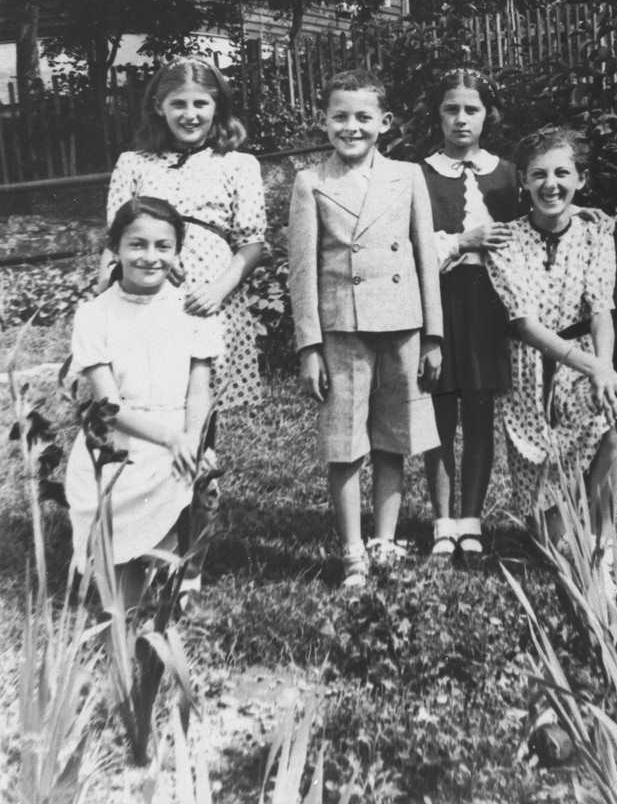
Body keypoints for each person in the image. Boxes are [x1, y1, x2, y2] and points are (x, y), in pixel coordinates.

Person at [288, 69, 443, 589]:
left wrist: (434, 335)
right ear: (324, 120)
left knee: (393, 437)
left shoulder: (409, 176)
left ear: (385, 122)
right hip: (342, 328)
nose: (351, 127)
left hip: (401, 324)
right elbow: (302, 270)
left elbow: (425, 257)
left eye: (362, 117)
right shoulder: (311, 182)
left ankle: (385, 540)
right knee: (345, 439)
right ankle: (353, 549)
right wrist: (309, 345)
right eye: (340, 117)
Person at [485, 127, 617, 595]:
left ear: (581, 180)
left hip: (584, 362)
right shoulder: (507, 242)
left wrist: (602, 369)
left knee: (615, 419)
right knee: (545, 540)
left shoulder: (594, 232)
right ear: (524, 183)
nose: (551, 184)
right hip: (529, 369)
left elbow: (600, 308)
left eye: (562, 173)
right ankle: (564, 524)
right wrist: (597, 370)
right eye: (539, 175)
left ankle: (603, 546)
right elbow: (524, 324)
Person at [66, 196, 223, 608]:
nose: (150, 257)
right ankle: (136, 562)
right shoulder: (94, 315)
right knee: (121, 606)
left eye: (163, 246)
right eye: (137, 245)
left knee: (205, 488)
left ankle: (186, 570)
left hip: (180, 437)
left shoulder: (194, 310)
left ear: (177, 251)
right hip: (121, 442)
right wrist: (171, 440)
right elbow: (109, 406)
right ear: (115, 247)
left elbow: (199, 389)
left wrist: (193, 440)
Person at [101, 56, 266, 414]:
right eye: (178, 103)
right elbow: (115, 240)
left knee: (201, 398)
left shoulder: (238, 164)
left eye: (200, 103)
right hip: (146, 292)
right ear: (159, 107)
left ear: (217, 107)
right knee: (147, 396)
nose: (189, 114)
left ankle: (199, 461)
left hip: (207, 298)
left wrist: (218, 290)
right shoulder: (134, 163)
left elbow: (252, 242)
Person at [420, 67, 520, 568]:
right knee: (438, 410)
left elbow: (530, 229)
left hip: (488, 304)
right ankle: (442, 522)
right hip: (437, 301)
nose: (461, 119)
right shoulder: (420, 173)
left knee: (480, 412)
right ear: (438, 115)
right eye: (451, 109)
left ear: (488, 115)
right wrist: (464, 242)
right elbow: (414, 251)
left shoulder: (506, 174)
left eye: (472, 109)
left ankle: (471, 521)